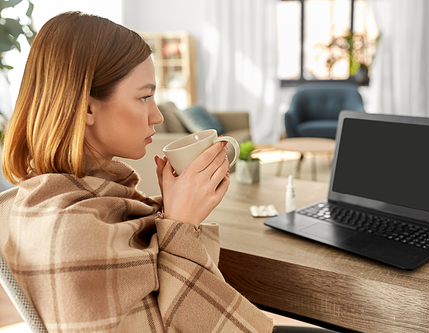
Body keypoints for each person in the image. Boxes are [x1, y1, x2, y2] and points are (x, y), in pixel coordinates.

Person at [1, 11, 273, 332]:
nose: (156, 116)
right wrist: (180, 225)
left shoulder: (79, 199)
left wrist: (174, 211)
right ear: (86, 107)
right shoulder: (71, 230)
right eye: (144, 96)